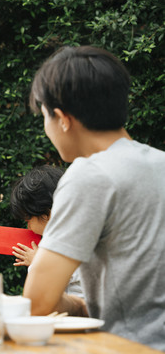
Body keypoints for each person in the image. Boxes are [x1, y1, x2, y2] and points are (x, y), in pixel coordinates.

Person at [23, 46, 165, 351]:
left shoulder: (89, 175)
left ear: (61, 118)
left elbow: (36, 302)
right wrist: (75, 304)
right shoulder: (160, 163)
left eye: (44, 117)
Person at [10, 165, 84, 298]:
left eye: (28, 220)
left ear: (46, 214)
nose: (28, 228)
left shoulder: (70, 240)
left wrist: (38, 262)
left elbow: (51, 282)